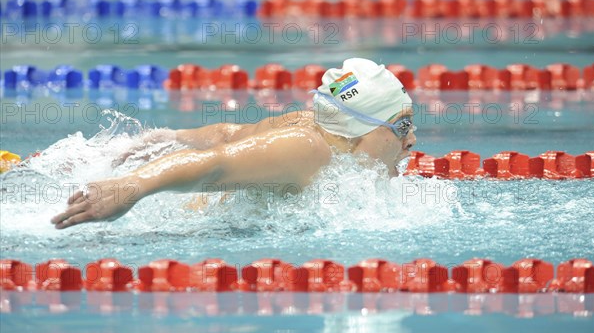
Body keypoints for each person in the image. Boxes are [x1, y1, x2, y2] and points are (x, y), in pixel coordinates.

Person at [51, 58, 416, 229]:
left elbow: (230, 134)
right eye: (402, 126)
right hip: (178, 226)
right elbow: (215, 164)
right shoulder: (308, 149)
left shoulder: (309, 125)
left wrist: (169, 138)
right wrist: (131, 185)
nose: (412, 141)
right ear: (358, 128)